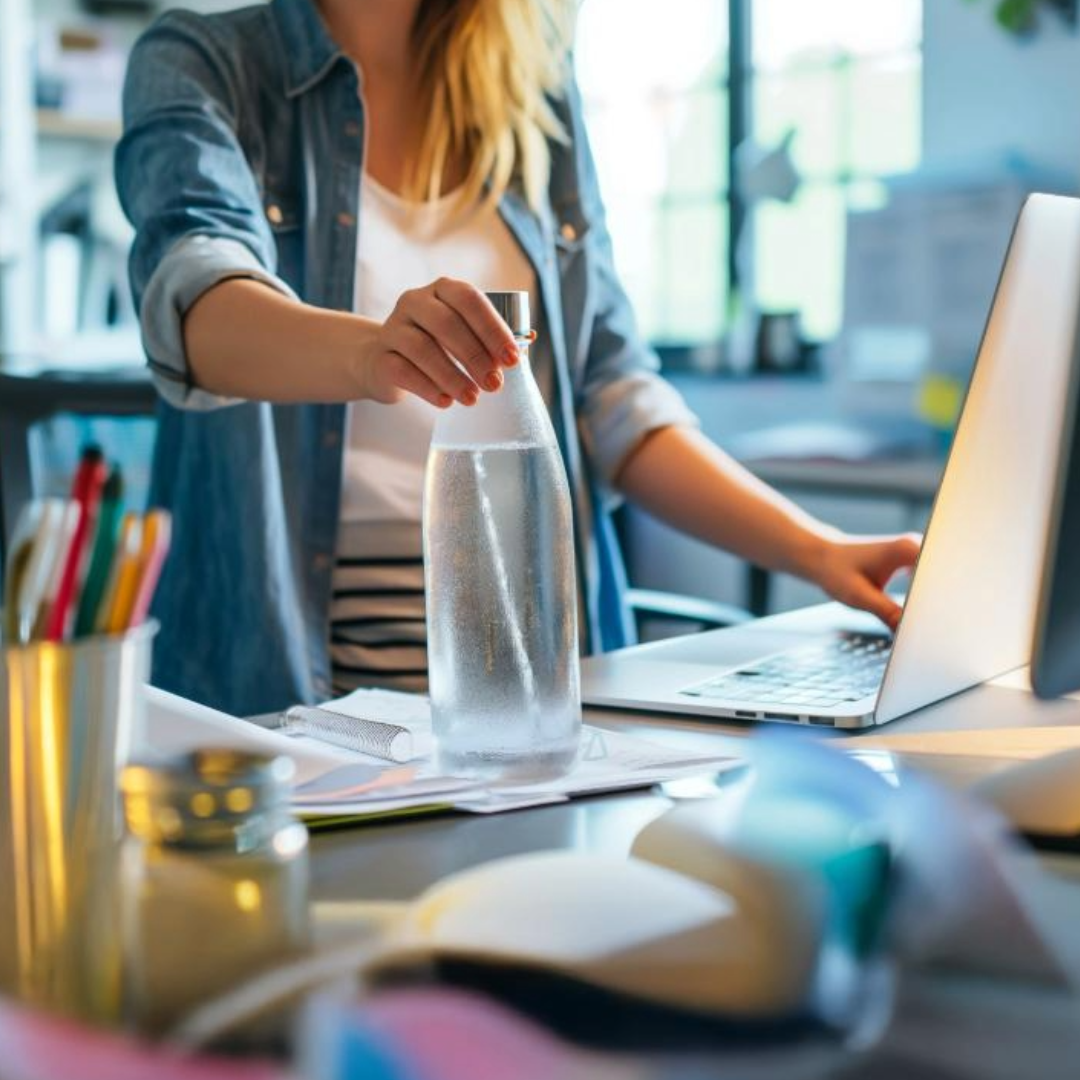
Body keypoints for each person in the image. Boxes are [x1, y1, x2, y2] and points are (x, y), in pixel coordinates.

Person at [115, 0, 920, 717]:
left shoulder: (534, 90)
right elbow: (196, 307)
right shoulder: (202, 60)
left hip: (532, 695)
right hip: (295, 696)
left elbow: (616, 400)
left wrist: (817, 550)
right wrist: (376, 353)